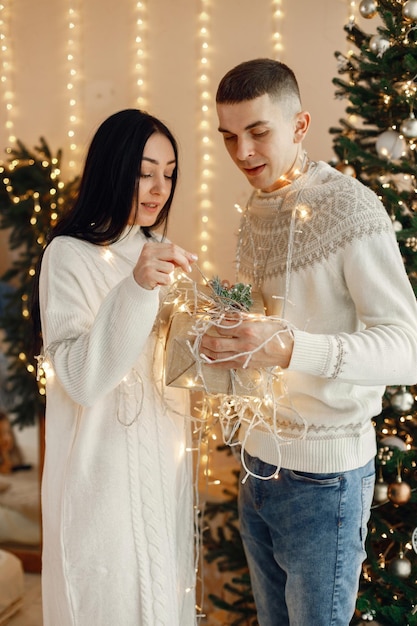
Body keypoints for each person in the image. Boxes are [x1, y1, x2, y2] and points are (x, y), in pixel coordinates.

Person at [200, 58, 417, 626]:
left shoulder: (353, 207)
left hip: (326, 480)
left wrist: (294, 348)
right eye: (228, 136)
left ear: (300, 125)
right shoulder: (256, 205)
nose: (242, 152)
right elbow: (266, 325)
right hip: (257, 464)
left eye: (258, 132)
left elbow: (408, 346)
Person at [31, 109, 198, 626]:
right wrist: (136, 289)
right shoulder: (68, 256)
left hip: (163, 476)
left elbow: (169, 374)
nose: (158, 189)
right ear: (113, 167)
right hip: (100, 487)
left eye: (169, 174)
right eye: (145, 171)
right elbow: (80, 379)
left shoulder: (156, 253)